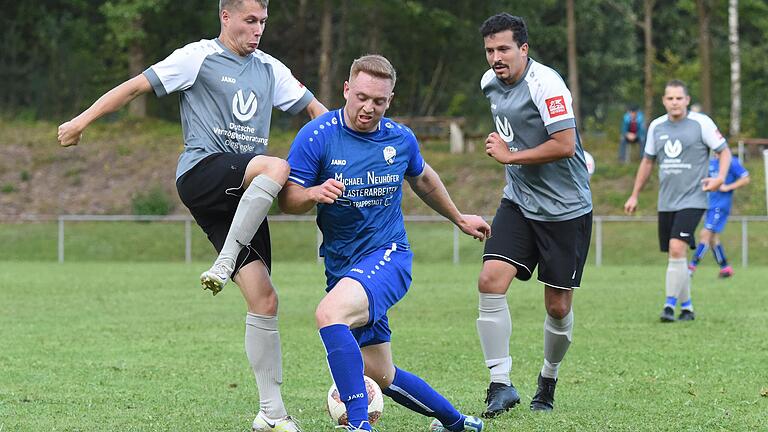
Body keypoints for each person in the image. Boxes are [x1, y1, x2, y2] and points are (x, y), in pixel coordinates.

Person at [57, 1, 327, 431]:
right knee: (276, 166)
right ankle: (222, 262)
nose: (258, 30)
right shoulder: (196, 57)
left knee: (265, 300)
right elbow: (133, 88)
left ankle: (271, 414)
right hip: (202, 174)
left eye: (263, 22)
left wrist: (345, 150)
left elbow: (317, 112)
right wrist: (81, 121)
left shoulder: (270, 68)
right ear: (226, 16)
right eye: (250, 21)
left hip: (242, 197)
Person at [279, 54, 488, 432]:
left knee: (329, 314)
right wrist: (313, 193)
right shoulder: (317, 136)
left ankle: (358, 425)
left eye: (378, 101)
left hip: (389, 257)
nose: (368, 108)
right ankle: (457, 424)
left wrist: (459, 218)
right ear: (346, 90)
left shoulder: (399, 138)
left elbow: (424, 180)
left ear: (389, 99)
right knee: (381, 372)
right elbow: (288, 199)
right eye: (361, 97)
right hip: (342, 267)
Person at [475, 13, 593, 417]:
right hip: (520, 202)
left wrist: (510, 156)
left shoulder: (548, 84)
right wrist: (512, 161)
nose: (496, 57)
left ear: (523, 49)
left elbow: (563, 144)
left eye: (504, 48)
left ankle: (549, 377)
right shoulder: (489, 83)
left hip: (565, 210)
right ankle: (500, 384)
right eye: (490, 50)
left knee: (558, 307)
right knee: (490, 280)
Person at [624, 79, 731, 323]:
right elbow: (648, 161)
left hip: (694, 198)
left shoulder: (701, 123)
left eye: (679, 98)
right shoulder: (656, 127)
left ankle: (669, 306)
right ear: (664, 101)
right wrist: (634, 194)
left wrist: (720, 178)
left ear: (687, 100)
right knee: (676, 255)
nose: (675, 102)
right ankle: (688, 307)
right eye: (670, 98)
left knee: (676, 247)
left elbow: (724, 151)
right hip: (666, 201)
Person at [689, 152, 750, 277]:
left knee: (704, 234)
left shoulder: (731, 161)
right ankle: (725, 268)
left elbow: (746, 178)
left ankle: (691, 268)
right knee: (712, 239)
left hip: (720, 206)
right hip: (710, 205)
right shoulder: (711, 162)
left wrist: (728, 187)